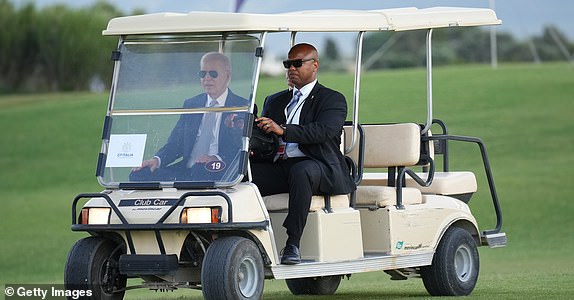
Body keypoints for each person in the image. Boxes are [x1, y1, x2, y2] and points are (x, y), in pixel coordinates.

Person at [252, 43, 356, 265]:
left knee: (302, 170)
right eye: (288, 64)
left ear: (315, 65)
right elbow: (268, 141)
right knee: (245, 174)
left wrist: (284, 130)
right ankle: (244, 236)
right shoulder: (275, 100)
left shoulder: (332, 99)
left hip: (320, 166)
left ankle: (292, 244)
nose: (291, 68)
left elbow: (323, 132)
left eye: (297, 63)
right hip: (281, 166)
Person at [130, 52, 248, 182]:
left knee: (201, 170)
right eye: (203, 74)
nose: (207, 78)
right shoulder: (191, 104)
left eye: (213, 74)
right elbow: (176, 143)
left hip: (220, 169)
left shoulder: (242, 106)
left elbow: (242, 147)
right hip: (187, 169)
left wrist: (216, 158)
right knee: (139, 174)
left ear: (227, 76)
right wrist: (157, 160)